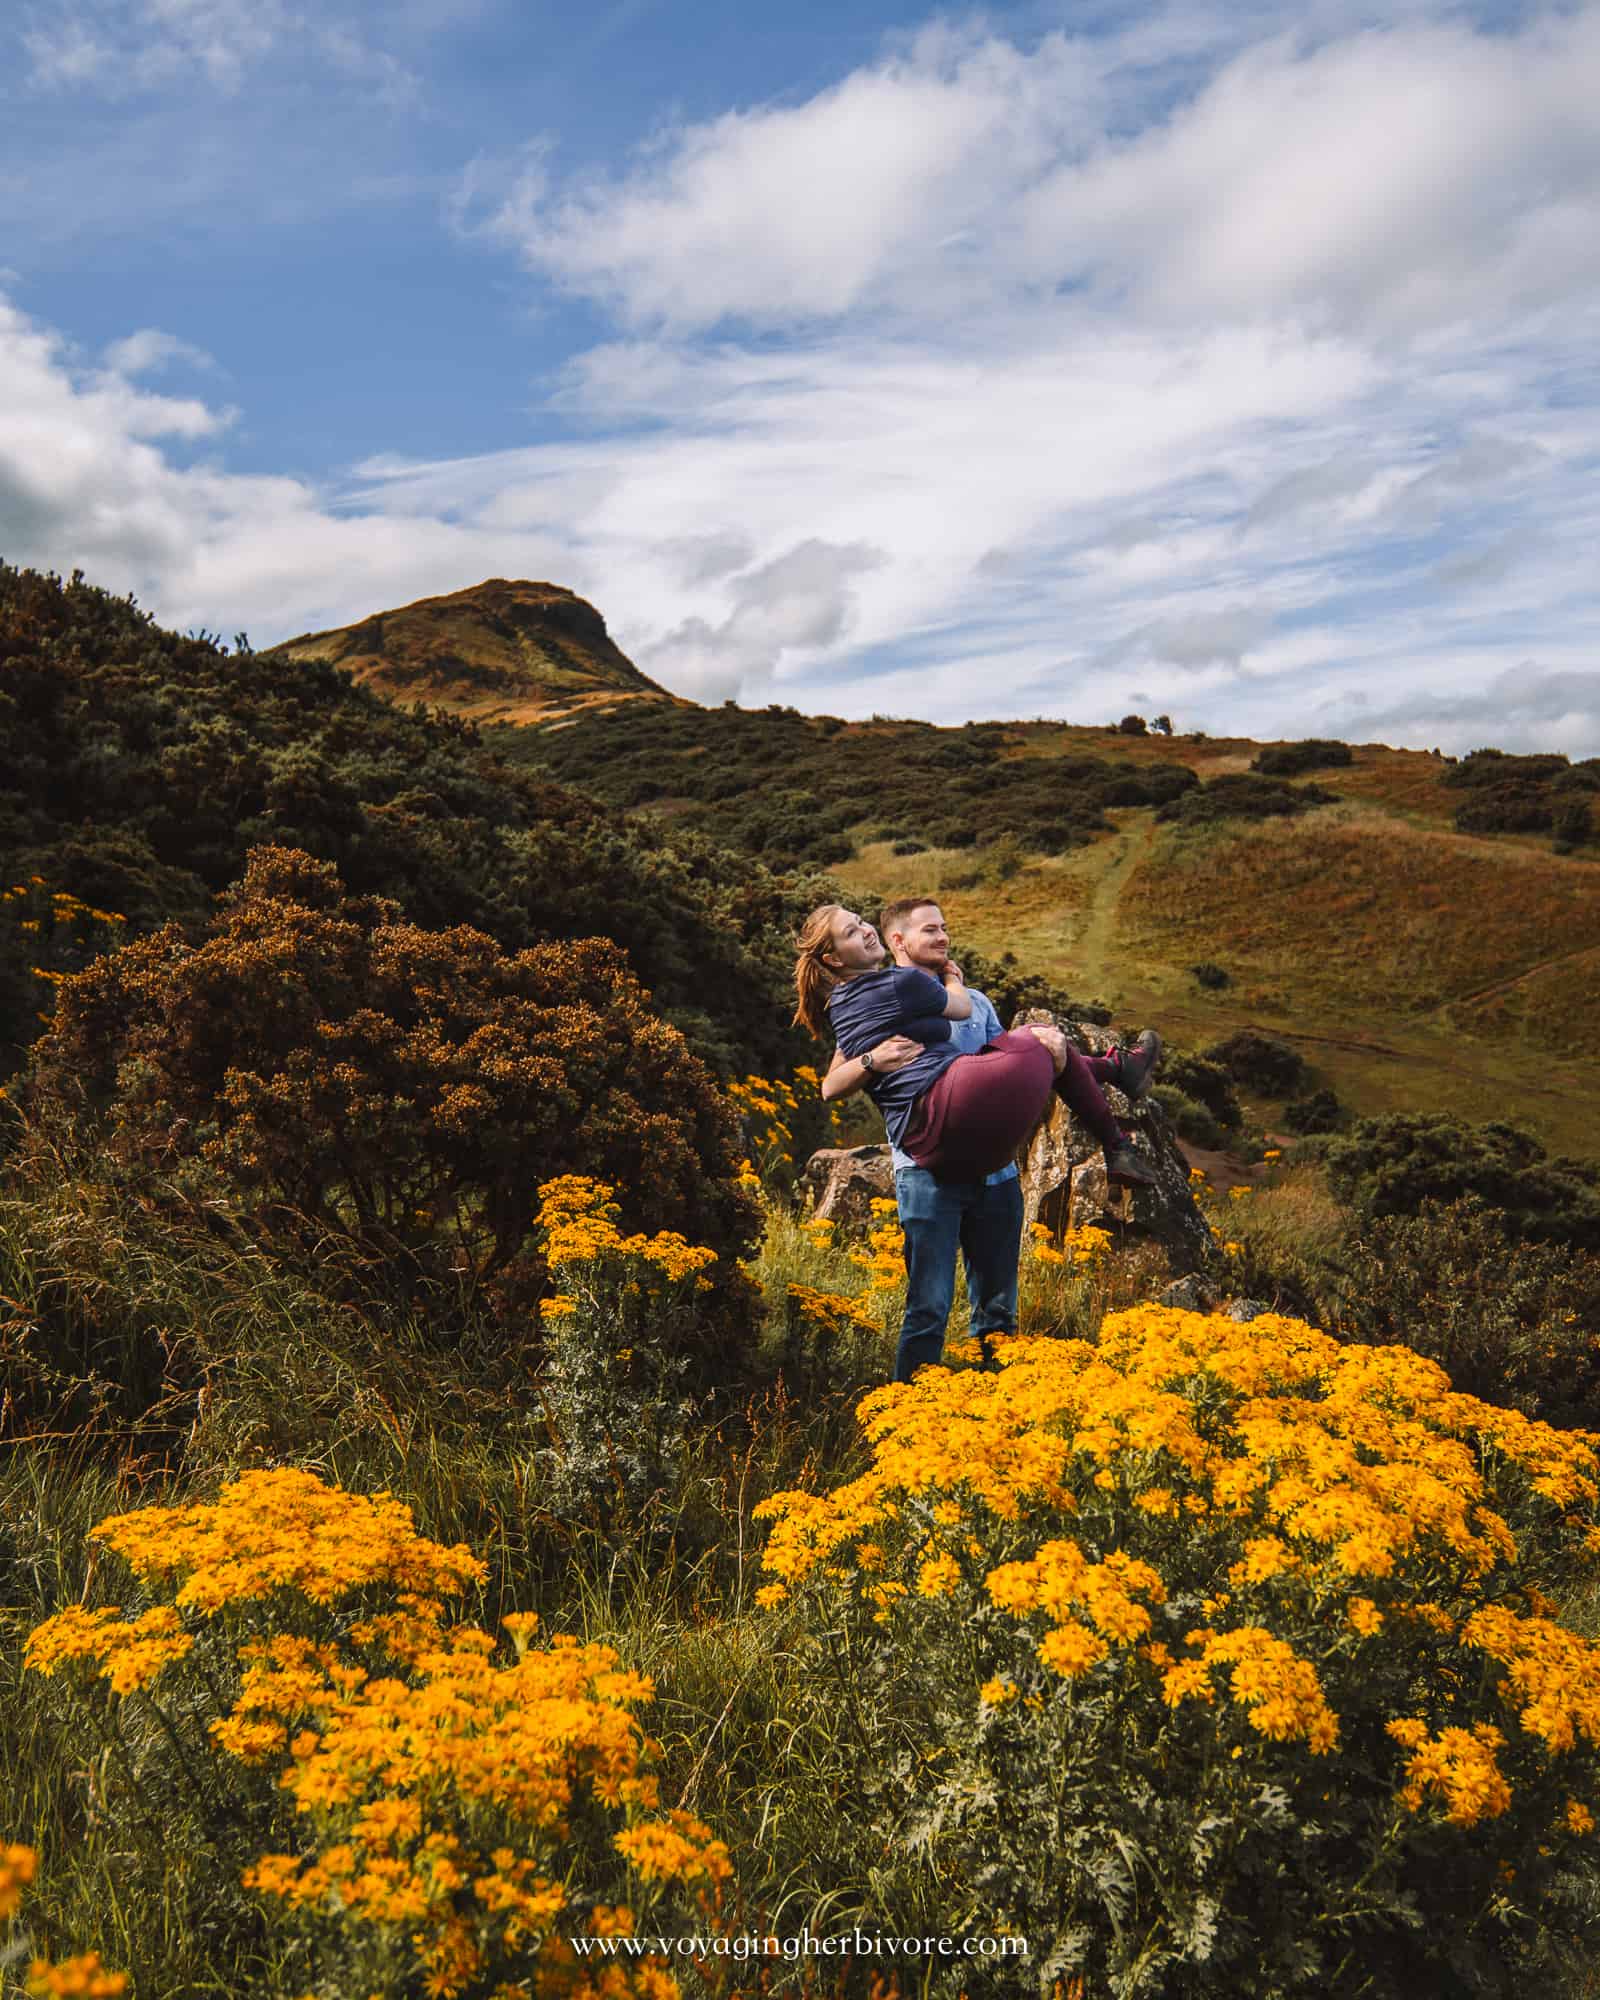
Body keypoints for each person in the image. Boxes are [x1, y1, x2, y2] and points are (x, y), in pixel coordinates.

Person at [802, 898, 1160, 1382]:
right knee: (927, 1306)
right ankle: (913, 1411)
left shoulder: (976, 1003)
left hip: (995, 1172)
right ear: (899, 942)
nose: (943, 937)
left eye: (945, 928)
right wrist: (872, 1060)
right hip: (927, 1173)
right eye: (930, 930)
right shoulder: (883, 994)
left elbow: (1012, 1066)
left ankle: (994, 1406)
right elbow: (830, 1084)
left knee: (997, 1308)